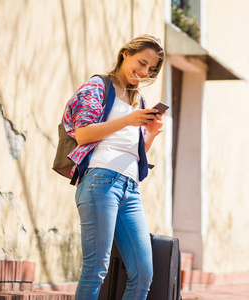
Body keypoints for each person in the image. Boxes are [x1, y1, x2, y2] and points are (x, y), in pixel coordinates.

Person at [63, 35, 165, 300]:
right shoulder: (98, 86)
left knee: (144, 273)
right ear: (124, 54)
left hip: (130, 188)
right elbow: (83, 134)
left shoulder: (138, 100)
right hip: (100, 182)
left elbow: (134, 151)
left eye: (150, 69)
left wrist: (150, 134)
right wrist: (130, 120)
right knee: (96, 269)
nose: (144, 72)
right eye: (141, 63)